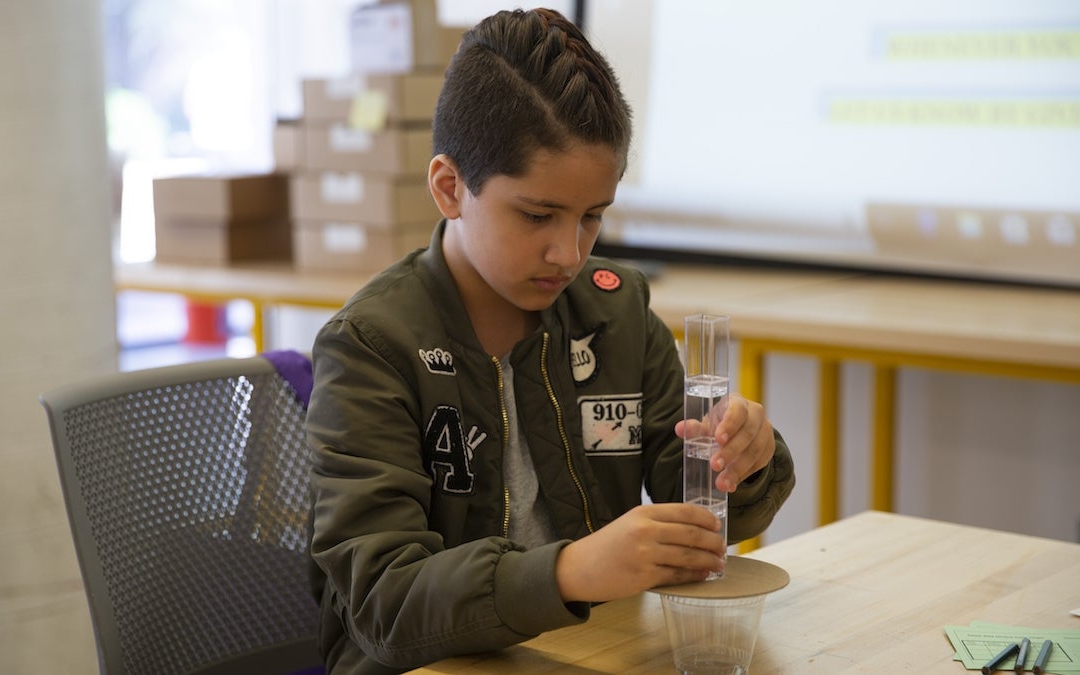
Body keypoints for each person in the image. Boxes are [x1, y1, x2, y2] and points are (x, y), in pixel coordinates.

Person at [306, 8, 795, 674]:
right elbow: (384, 602)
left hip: (592, 652)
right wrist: (569, 571)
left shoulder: (615, 312)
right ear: (451, 188)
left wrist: (744, 460)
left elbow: (704, 511)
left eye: (592, 216)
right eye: (537, 215)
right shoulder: (372, 344)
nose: (567, 252)